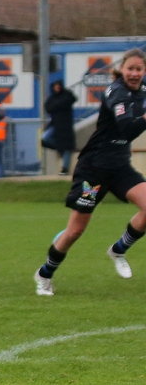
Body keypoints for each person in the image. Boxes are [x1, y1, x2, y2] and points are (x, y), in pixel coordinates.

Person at [34, 48, 146, 297]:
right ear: (122, 69)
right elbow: (127, 129)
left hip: (119, 166)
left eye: (139, 69)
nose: (135, 73)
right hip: (94, 168)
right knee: (75, 231)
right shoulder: (116, 92)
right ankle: (44, 274)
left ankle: (118, 250)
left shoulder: (142, 89)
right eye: (131, 68)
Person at [45, 80, 78, 175]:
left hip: (66, 126)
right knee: (45, 138)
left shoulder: (67, 95)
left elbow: (72, 99)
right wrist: (59, 105)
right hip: (55, 125)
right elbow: (48, 108)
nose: (57, 88)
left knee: (67, 147)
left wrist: (57, 105)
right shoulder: (52, 98)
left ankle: (65, 168)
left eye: (59, 86)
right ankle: (59, 147)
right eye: (55, 86)